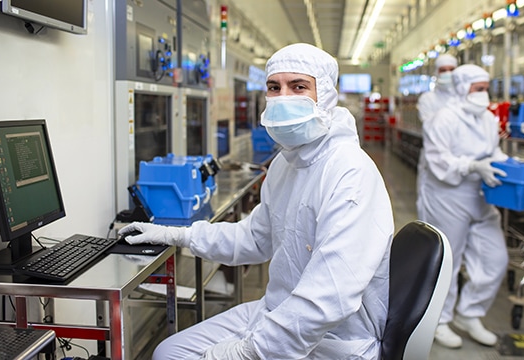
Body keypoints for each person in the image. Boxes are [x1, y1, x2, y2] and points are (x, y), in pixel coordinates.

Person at [120, 43, 395, 360]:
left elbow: (328, 298)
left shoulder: (350, 172)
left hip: (334, 338)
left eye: (299, 87)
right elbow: (253, 238)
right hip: (276, 310)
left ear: (327, 97)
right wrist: (177, 235)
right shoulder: (284, 165)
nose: (283, 98)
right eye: (274, 88)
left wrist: (246, 352)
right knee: (170, 351)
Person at [416, 64, 509, 349]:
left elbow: (492, 150)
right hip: (447, 196)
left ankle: (470, 313)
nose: (483, 94)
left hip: (480, 196)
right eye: (477, 89)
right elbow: (438, 161)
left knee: (495, 258)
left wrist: (502, 161)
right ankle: (439, 320)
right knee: (447, 262)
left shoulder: (488, 120)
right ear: (461, 88)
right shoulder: (443, 119)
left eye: (485, 88)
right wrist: (472, 165)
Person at [415, 54, 458, 219]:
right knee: (430, 209)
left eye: (451, 70)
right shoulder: (428, 99)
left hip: (458, 160)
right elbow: (431, 129)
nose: (448, 73)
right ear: (437, 73)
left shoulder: (463, 97)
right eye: (443, 70)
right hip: (433, 161)